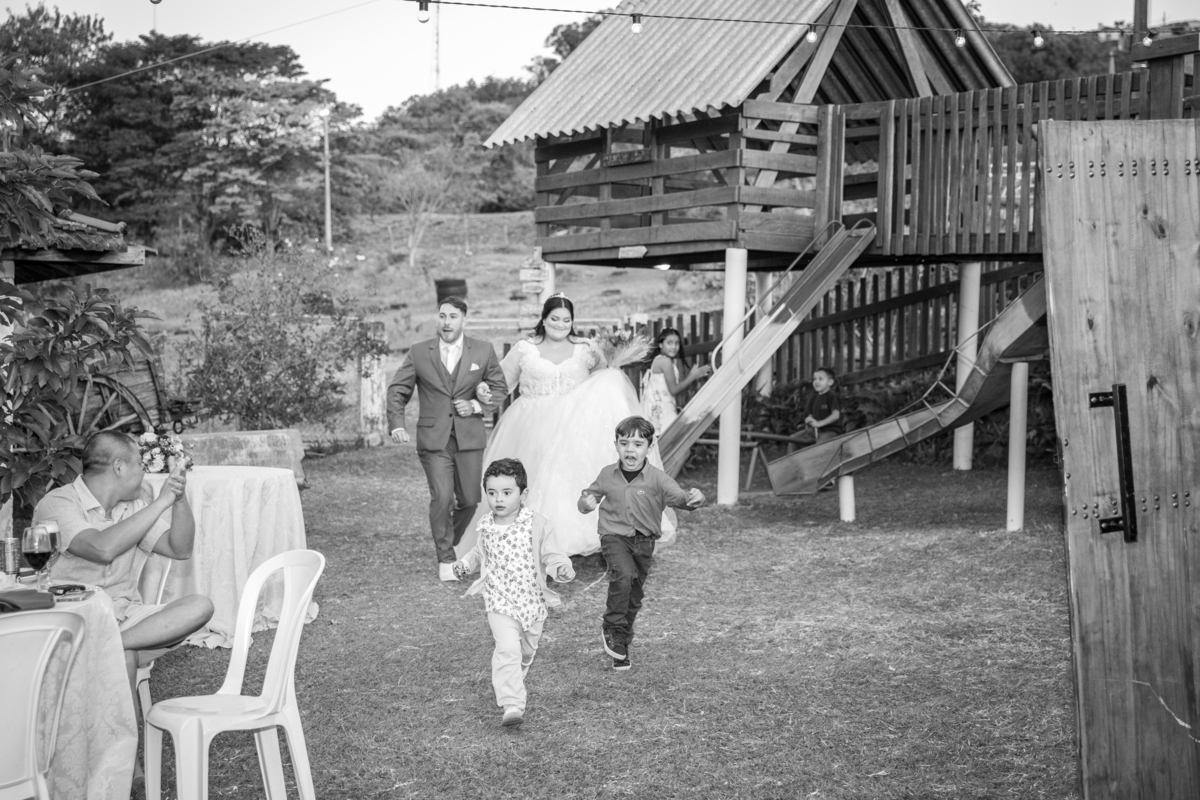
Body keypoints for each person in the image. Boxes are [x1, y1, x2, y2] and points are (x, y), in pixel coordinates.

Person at [33, 430, 215, 795]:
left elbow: (179, 548)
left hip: (123, 618)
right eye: (139, 465)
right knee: (125, 656)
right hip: (73, 621)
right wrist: (159, 503)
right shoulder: (58, 504)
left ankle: (106, 647)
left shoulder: (133, 507)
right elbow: (101, 549)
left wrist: (178, 500)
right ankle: (128, 767)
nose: (144, 473)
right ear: (119, 467)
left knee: (201, 606)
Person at [459, 292, 674, 559]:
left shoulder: (586, 349)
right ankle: (530, 540)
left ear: (572, 322)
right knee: (536, 480)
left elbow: (603, 380)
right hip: (533, 425)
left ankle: (585, 535)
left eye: (566, 320)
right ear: (544, 319)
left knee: (569, 479)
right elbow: (501, 381)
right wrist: (483, 391)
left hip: (575, 428)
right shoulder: (525, 348)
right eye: (554, 318)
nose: (560, 324)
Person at [387, 295, 507, 581]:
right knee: (442, 497)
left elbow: (500, 388)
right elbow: (397, 390)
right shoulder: (419, 352)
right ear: (437, 318)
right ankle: (446, 559)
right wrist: (396, 425)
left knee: (470, 499)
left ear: (464, 319)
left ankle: (448, 539)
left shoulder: (483, 350)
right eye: (442, 316)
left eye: (453, 316)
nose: (447, 322)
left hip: (469, 438)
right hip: (433, 439)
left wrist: (476, 405)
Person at [452, 458, 574, 727]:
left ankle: (513, 677)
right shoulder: (486, 525)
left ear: (523, 494)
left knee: (526, 652)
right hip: (499, 601)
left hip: (532, 603)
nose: (498, 499)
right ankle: (512, 704)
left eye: (507, 492)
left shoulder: (538, 524)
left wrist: (560, 567)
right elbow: (478, 552)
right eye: (492, 492)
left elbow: (552, 554)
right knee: (507, 649)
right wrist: (465, 564)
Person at [578, 416, 705, 671]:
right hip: (614, 537)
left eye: (637, 444)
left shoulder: (657, 478)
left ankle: (621, 643)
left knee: (634, 595)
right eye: (624, 443)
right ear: (616, 445)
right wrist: (585, 504)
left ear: (649, 446)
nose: (630, 450)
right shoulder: (607, 474)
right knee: (623, 575)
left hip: (644, 542)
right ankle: (612, 626)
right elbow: (587, 498)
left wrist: (693, 499)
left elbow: (679, 498)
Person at [640, 327, 711, 434]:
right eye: (669, 343)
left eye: (676, 343)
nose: (674, 347)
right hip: (662, 412)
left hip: (658, 410)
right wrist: (692, 377)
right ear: (660, 345)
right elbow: (673, 390)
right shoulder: (665, 361)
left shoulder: (660, 359)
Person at [799, 366, 843, 444]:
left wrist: (819, 423)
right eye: (814, 379)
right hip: (815, 431)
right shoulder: (813, 398)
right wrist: (809, 419)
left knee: (820, 445)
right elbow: (810, 414)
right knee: (793, 439)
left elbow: (836, 415)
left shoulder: (832, 396)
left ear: (830, 382)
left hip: (830, 431)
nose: (816, 382)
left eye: (820, 379)